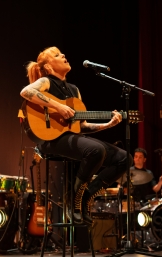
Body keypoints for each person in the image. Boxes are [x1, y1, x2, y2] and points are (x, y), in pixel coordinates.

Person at [19, 46, 132, 224]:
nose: (64, 55)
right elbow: (26, 92)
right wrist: (58, 107)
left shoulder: (74, 90)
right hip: (50, 139)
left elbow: (82, 126)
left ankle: (85, 195)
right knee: (96, 151)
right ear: (48, 67)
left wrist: (108, 124)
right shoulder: (47, 82)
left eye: (62, 53)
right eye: (57, 55)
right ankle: (75, 197)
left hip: (70, 137)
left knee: (125, 158)